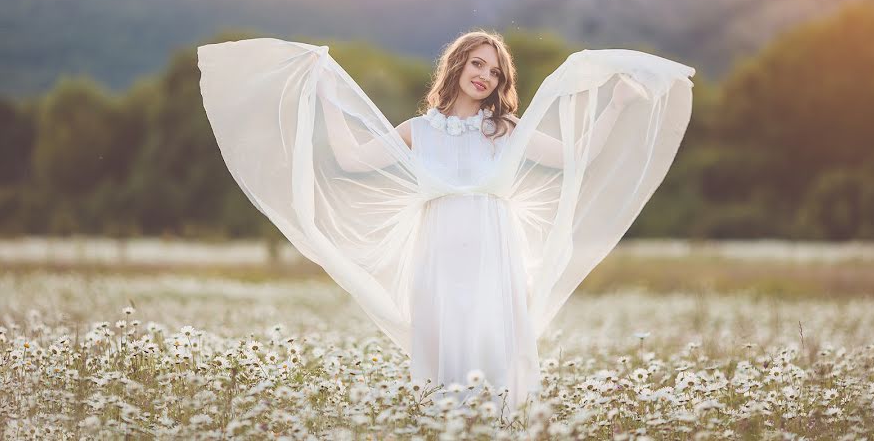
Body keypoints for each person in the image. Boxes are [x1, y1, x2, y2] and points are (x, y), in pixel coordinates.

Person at [197, 29, 696, 415]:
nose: (485, 76)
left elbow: (575, 158)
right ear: (457, 65)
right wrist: (327, 95)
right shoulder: (418, 131)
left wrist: (616, 104)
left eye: (496, 72)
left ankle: (502, 424)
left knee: (493, 336)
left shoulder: (503, 130)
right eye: (477, 64)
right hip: (437, 248)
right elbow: (350, 159)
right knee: (443, 341)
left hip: (493, 246)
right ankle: (444, 423)